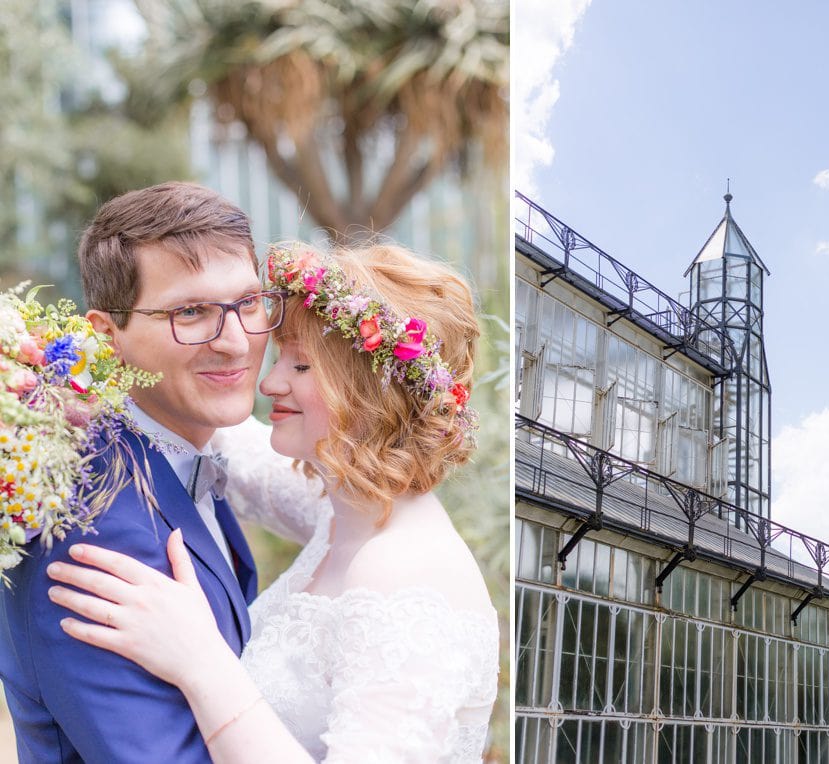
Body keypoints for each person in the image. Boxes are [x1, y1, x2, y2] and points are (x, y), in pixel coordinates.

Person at [46, 243, 500, 762]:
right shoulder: (346, 508)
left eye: (302, 366)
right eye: (281, 355)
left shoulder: (408, 572)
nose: (269, 382)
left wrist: (201, 663)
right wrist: (59, 371)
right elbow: (217, 440)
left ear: (372, 391)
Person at [0, 182, 320, 762]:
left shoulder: (175, 453)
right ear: (105, 335)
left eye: (248, 303)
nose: (235, 342)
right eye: (189, 312)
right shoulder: (91, 532)